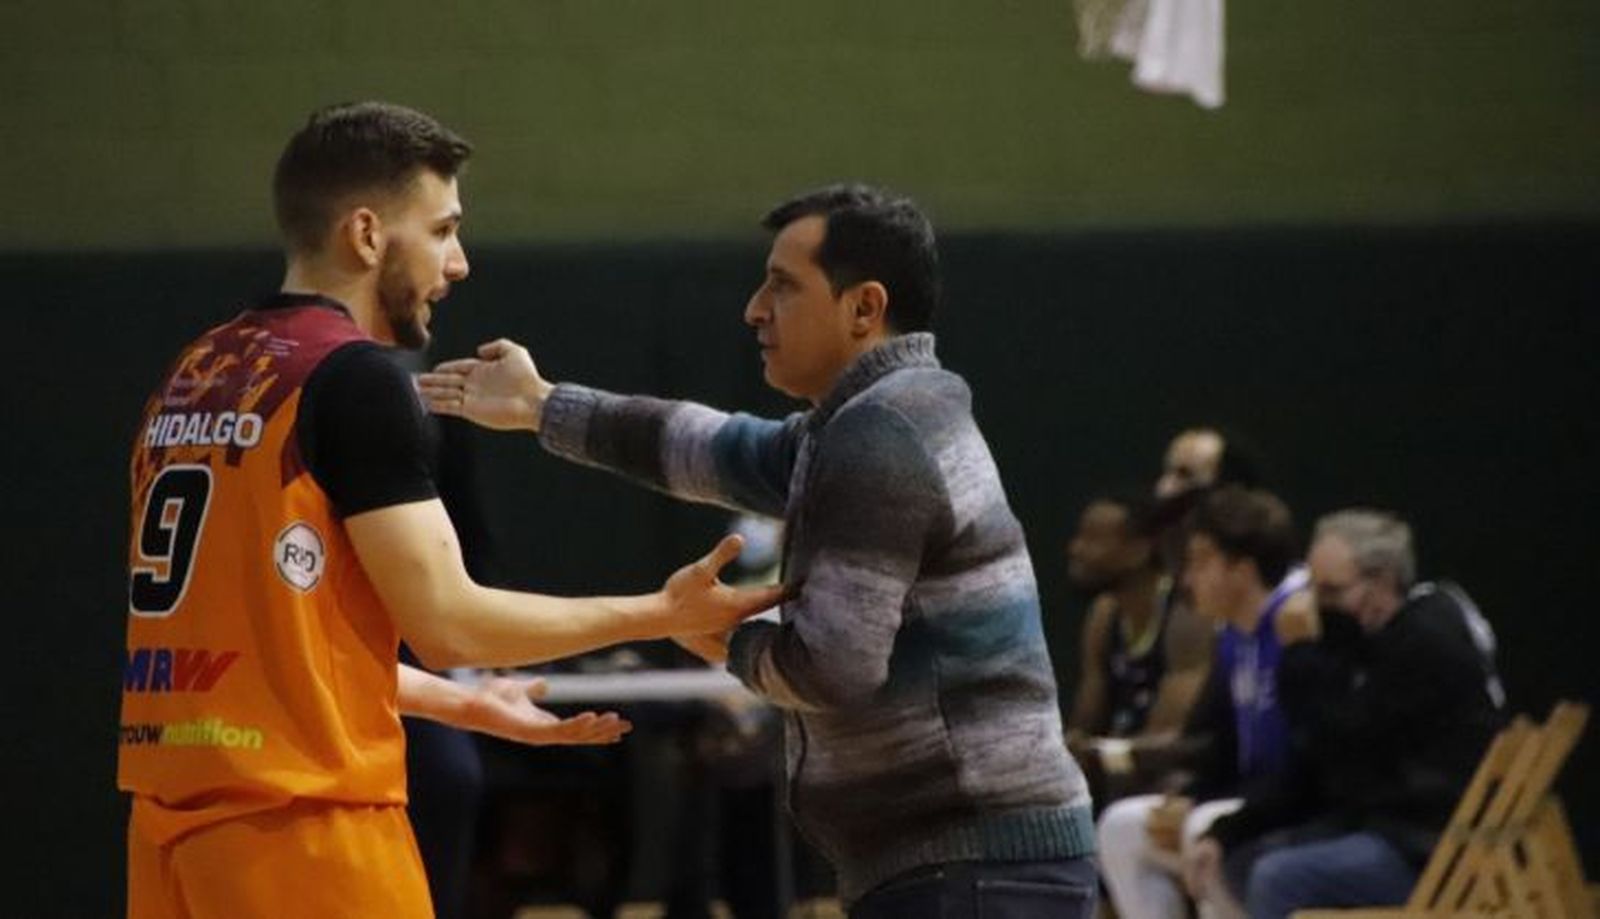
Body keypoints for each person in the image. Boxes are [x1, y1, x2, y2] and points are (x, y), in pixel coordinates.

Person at [118, 101, 784, 919]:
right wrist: (661, 610)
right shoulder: (353, 379)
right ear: (366, 235)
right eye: (442, 230)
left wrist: (465, 704)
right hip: (307, 833)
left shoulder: (196, 371)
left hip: (171, 837)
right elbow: (449, 624)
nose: (459, 262)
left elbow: (274, 655)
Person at [422, 184, 1098, 917]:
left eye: (782, 285)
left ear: (864, 309)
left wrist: (720, 640)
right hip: (970, 861)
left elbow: (833, 667)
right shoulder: (870, 421)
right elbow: (710, 445)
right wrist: (541, 405)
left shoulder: (881, 434)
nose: (754, 308)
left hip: (971, 868)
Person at [1186, 510, 1505, 919]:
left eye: (1332, 593)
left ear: (1383, 584)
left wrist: (1300, 655)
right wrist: (1227, 832)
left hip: (1429, 848)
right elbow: (1310, 768)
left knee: (1276, 875)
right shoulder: (1365, 640)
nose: (1317, 607)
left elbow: (1338, 745)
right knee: (1240, 858)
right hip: (1385, 826)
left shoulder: (1425, 642)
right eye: (1314, 590)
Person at [1097, 486, 1306, 919]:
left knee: (1200, 831)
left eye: (1200, 562)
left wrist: (1216, 817)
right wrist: (1191, 794)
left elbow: (1309, 760)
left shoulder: (1298, 623)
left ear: (1242, 569)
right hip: (1246, 797)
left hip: (1297, 803)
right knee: (1123, 827)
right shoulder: (1232, 635)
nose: (1187, 579)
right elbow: (1216, 744)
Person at [1063, 492, 1213, 804]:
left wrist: (1096, 753)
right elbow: (1084, 723)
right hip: (1113, 764)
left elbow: (1169, 740)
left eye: (1093, 540)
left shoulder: (1185, 618)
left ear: (1139, 550)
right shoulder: (1104, 615)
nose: (1075, 549)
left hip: (1172, 777)